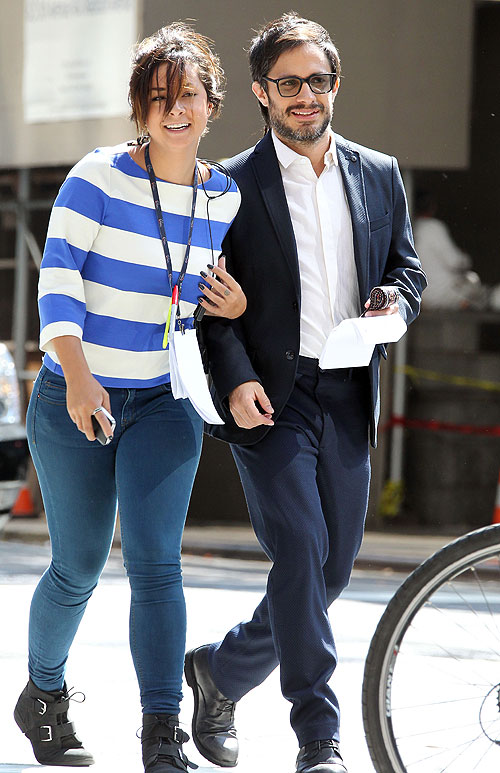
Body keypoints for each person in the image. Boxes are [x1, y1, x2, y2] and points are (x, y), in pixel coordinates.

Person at [184, 13, 426, 773]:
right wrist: (238, 376)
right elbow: (205, 305)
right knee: (300, 551)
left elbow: (409, 270)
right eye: (288, 83)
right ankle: (318, 739)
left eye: (318, 81)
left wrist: (396, 299)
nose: (306, 96)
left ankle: (219, 672)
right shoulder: (225, 185)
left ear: (334, 84)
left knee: (329, 571)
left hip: (350, 392)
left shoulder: (380, 174)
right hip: (272, 401)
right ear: (260, 91)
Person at [14, 23, 244, 773]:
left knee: (157, 564)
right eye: (156, 98)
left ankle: (161, 729)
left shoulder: (224, 198)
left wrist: (232, 309)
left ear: (212, 103)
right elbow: (58, 280)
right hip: (74, 393)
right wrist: (78, 377)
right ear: (140, 110)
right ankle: (42, 694)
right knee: (78, 565)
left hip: (163, 401)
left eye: (186, 96)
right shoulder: (97, 176)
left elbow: (212, 301)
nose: (173, 110)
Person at [413, 190, 489, 309]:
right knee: (473, 280)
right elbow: (456, 262)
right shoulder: (433, 227)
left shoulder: (411, 227)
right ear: (432, 206)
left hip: (417, 295)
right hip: (439, 294)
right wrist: (465, 256)